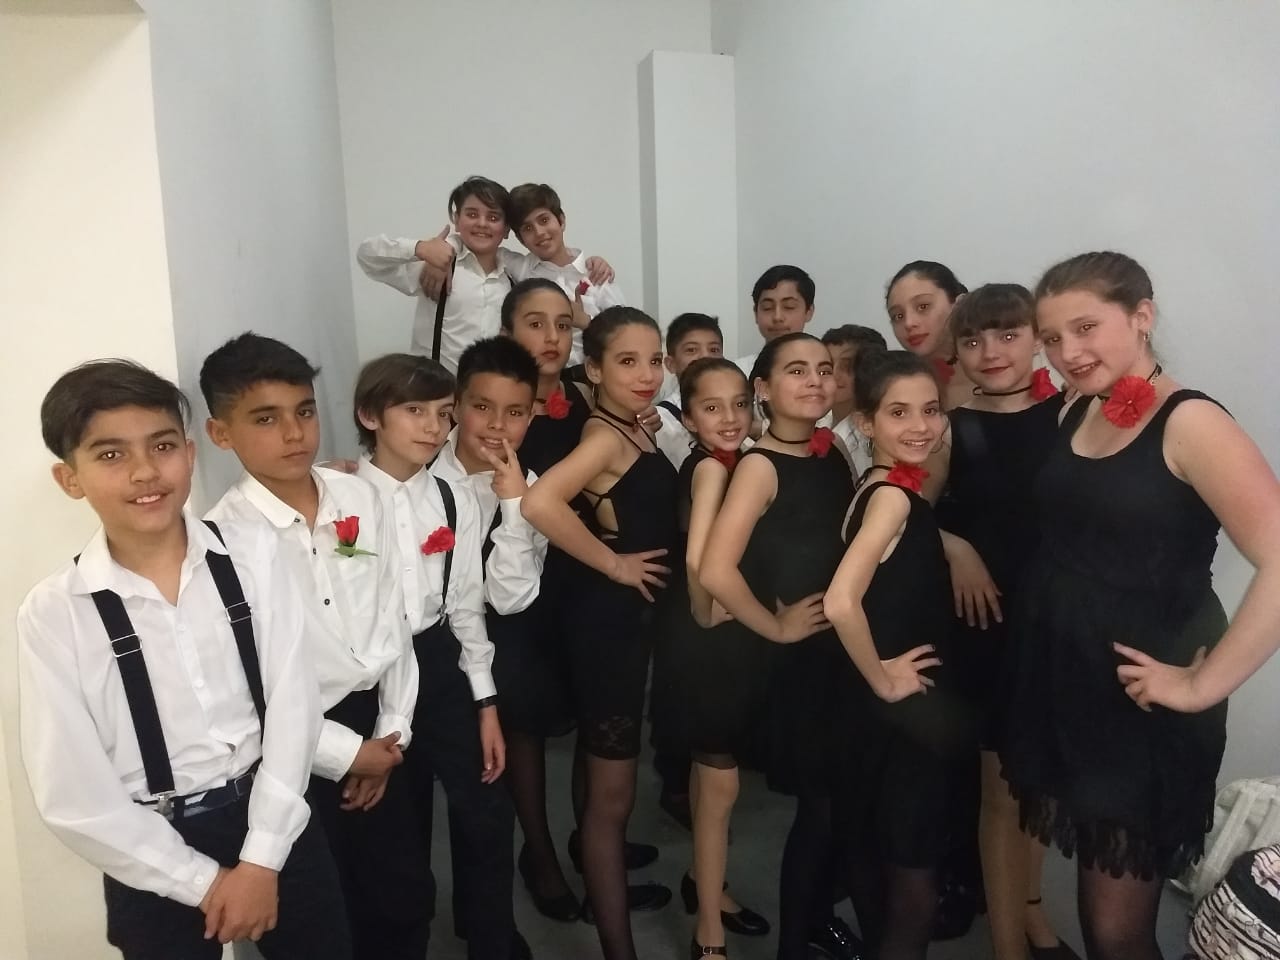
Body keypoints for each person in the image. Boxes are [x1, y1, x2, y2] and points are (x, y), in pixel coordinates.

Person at [18, 360, 350, 959]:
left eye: (163, 445)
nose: (145, 471)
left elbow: (293, 708)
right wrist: (206, 884)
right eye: (111, 454)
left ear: (190, 454)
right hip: (150, 847)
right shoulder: (55, 612)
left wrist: (261, 858)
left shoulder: (254, 556)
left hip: (275, 813)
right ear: (70, 478)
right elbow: (72, 792)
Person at [1002, 251, 1280, 960]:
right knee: (1094, 898)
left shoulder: (1192, 422)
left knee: (1115, 930)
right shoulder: (1080, 405)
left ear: (1142, 316)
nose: (1068, 351)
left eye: (1086, 327)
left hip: (1140, 700)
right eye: (1052, 337)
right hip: (1069, 675)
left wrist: (1200, 684)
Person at [198, 334, 428, 960]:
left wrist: (392, 734)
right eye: (265, 419)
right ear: (221, 434)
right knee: (324, 912)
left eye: (303, 410)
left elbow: (393, 619)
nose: (294, 432)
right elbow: (250, 686)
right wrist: (350, 756)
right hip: (294, 743)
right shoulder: (221, 543)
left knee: (402, 892)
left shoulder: (360, 497)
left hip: (382, 723)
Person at [352, 352, 526, 960]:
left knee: (487, 813)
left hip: (440, 662)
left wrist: (486, 703)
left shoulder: (455, 499)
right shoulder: (339, 499)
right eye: (414, 410)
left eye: (442, 413)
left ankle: (492, 942)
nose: (433, 427)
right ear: (370, 415)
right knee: (394, 830)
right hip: (370, 673)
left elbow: (466, 607)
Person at [700, 332, 864, 960]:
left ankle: (817, 918)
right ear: (763, 389)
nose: (816, 381)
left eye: (824, 369)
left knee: (840, 802)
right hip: (801, 658)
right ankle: (797, 941)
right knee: (820, 809)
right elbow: (716, 569)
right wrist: (775, 627)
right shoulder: (760, 465)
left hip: (840, 645)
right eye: (797, 370)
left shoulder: (830, 451)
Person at [521, 306, 676, 960]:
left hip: (624, 624)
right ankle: (619, 949)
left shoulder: (632, 426)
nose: (646, 374)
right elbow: (539, 502)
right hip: (608, 628)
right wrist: (613, 563)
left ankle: (600, 894)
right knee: (613, 800)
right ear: (594, 370)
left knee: (602, 784)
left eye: (655, 360)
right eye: (627, 361)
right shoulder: (605, 437)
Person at [932, 286, 1076, 960]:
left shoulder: (1072, 414)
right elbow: (903, 510)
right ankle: (1007, 946)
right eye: (973, 340)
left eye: (1008, 334)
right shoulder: (949, 426)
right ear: (957, 352)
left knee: (1039, 782)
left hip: (1055, 621)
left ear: (1037, 339)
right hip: (985, 623)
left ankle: (1033, 910)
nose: (991, 352)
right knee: (999, 792)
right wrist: (955, 547)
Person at [824, 347, 975, 960]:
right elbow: (841, 602)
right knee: (914, 879)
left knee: (881, 854)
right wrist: (885, 679)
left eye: (931, 410)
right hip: (904, 711)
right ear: (866, 422)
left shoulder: (877, 486)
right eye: (898, 412)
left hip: (878, 709)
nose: (920, 425)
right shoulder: (891, 497)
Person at [653, 357, 769, 958]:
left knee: (709, 777)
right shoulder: (709, 470)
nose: (729, 417)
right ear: (689, 416)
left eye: (739, 404)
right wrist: (705, 613)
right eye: (711, 407)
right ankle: (709, 937)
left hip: (712, 636)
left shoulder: (731, 462)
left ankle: (707, 885)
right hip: (706, 640)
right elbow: (698, 559)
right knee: (721, 784)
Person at [885, 261, 973, 410]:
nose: (908, 323)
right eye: (898, 316)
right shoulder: (889, 387)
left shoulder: (1000, 369)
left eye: (923, 306)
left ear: (958, 304)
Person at [654, 312, 726, 472]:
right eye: (691, 350)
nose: (705, 357)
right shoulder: (661, 421)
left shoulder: (732, 410)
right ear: (671, 364)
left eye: (714, 349)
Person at [820, 324, 887, 477]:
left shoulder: (870, 436)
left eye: (847, 367)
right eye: (827, 365)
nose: (834, 374)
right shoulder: (816, 419)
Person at [733, 265, 817, 379]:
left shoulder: (826, 369)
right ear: (756, 313)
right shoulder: (738, 372)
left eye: (789, 306)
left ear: (809, 311)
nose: (777, 317)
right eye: (767, 307)